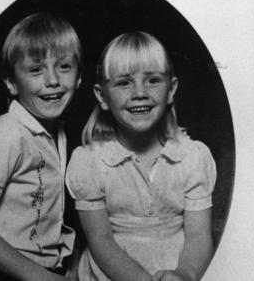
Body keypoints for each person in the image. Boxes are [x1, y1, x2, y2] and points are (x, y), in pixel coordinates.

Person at [65, 31, 216, 281]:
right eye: (124, 82)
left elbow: (199, 236)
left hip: (176, 269)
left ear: (171, 90)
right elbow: (100, 241)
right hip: (114, 272)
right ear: (102, 96)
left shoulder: (192, 156)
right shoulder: (90, 161)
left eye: (153, 80)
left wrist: (185, 274)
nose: (140, 92)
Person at [0, 13, 82, 281]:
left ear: (79, 78)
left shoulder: (55, 133)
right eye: (36, 69)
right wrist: (40, 277)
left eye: (63, 67)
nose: (52, 80)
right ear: (12, 83)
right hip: (5, 273)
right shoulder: (5, 135)